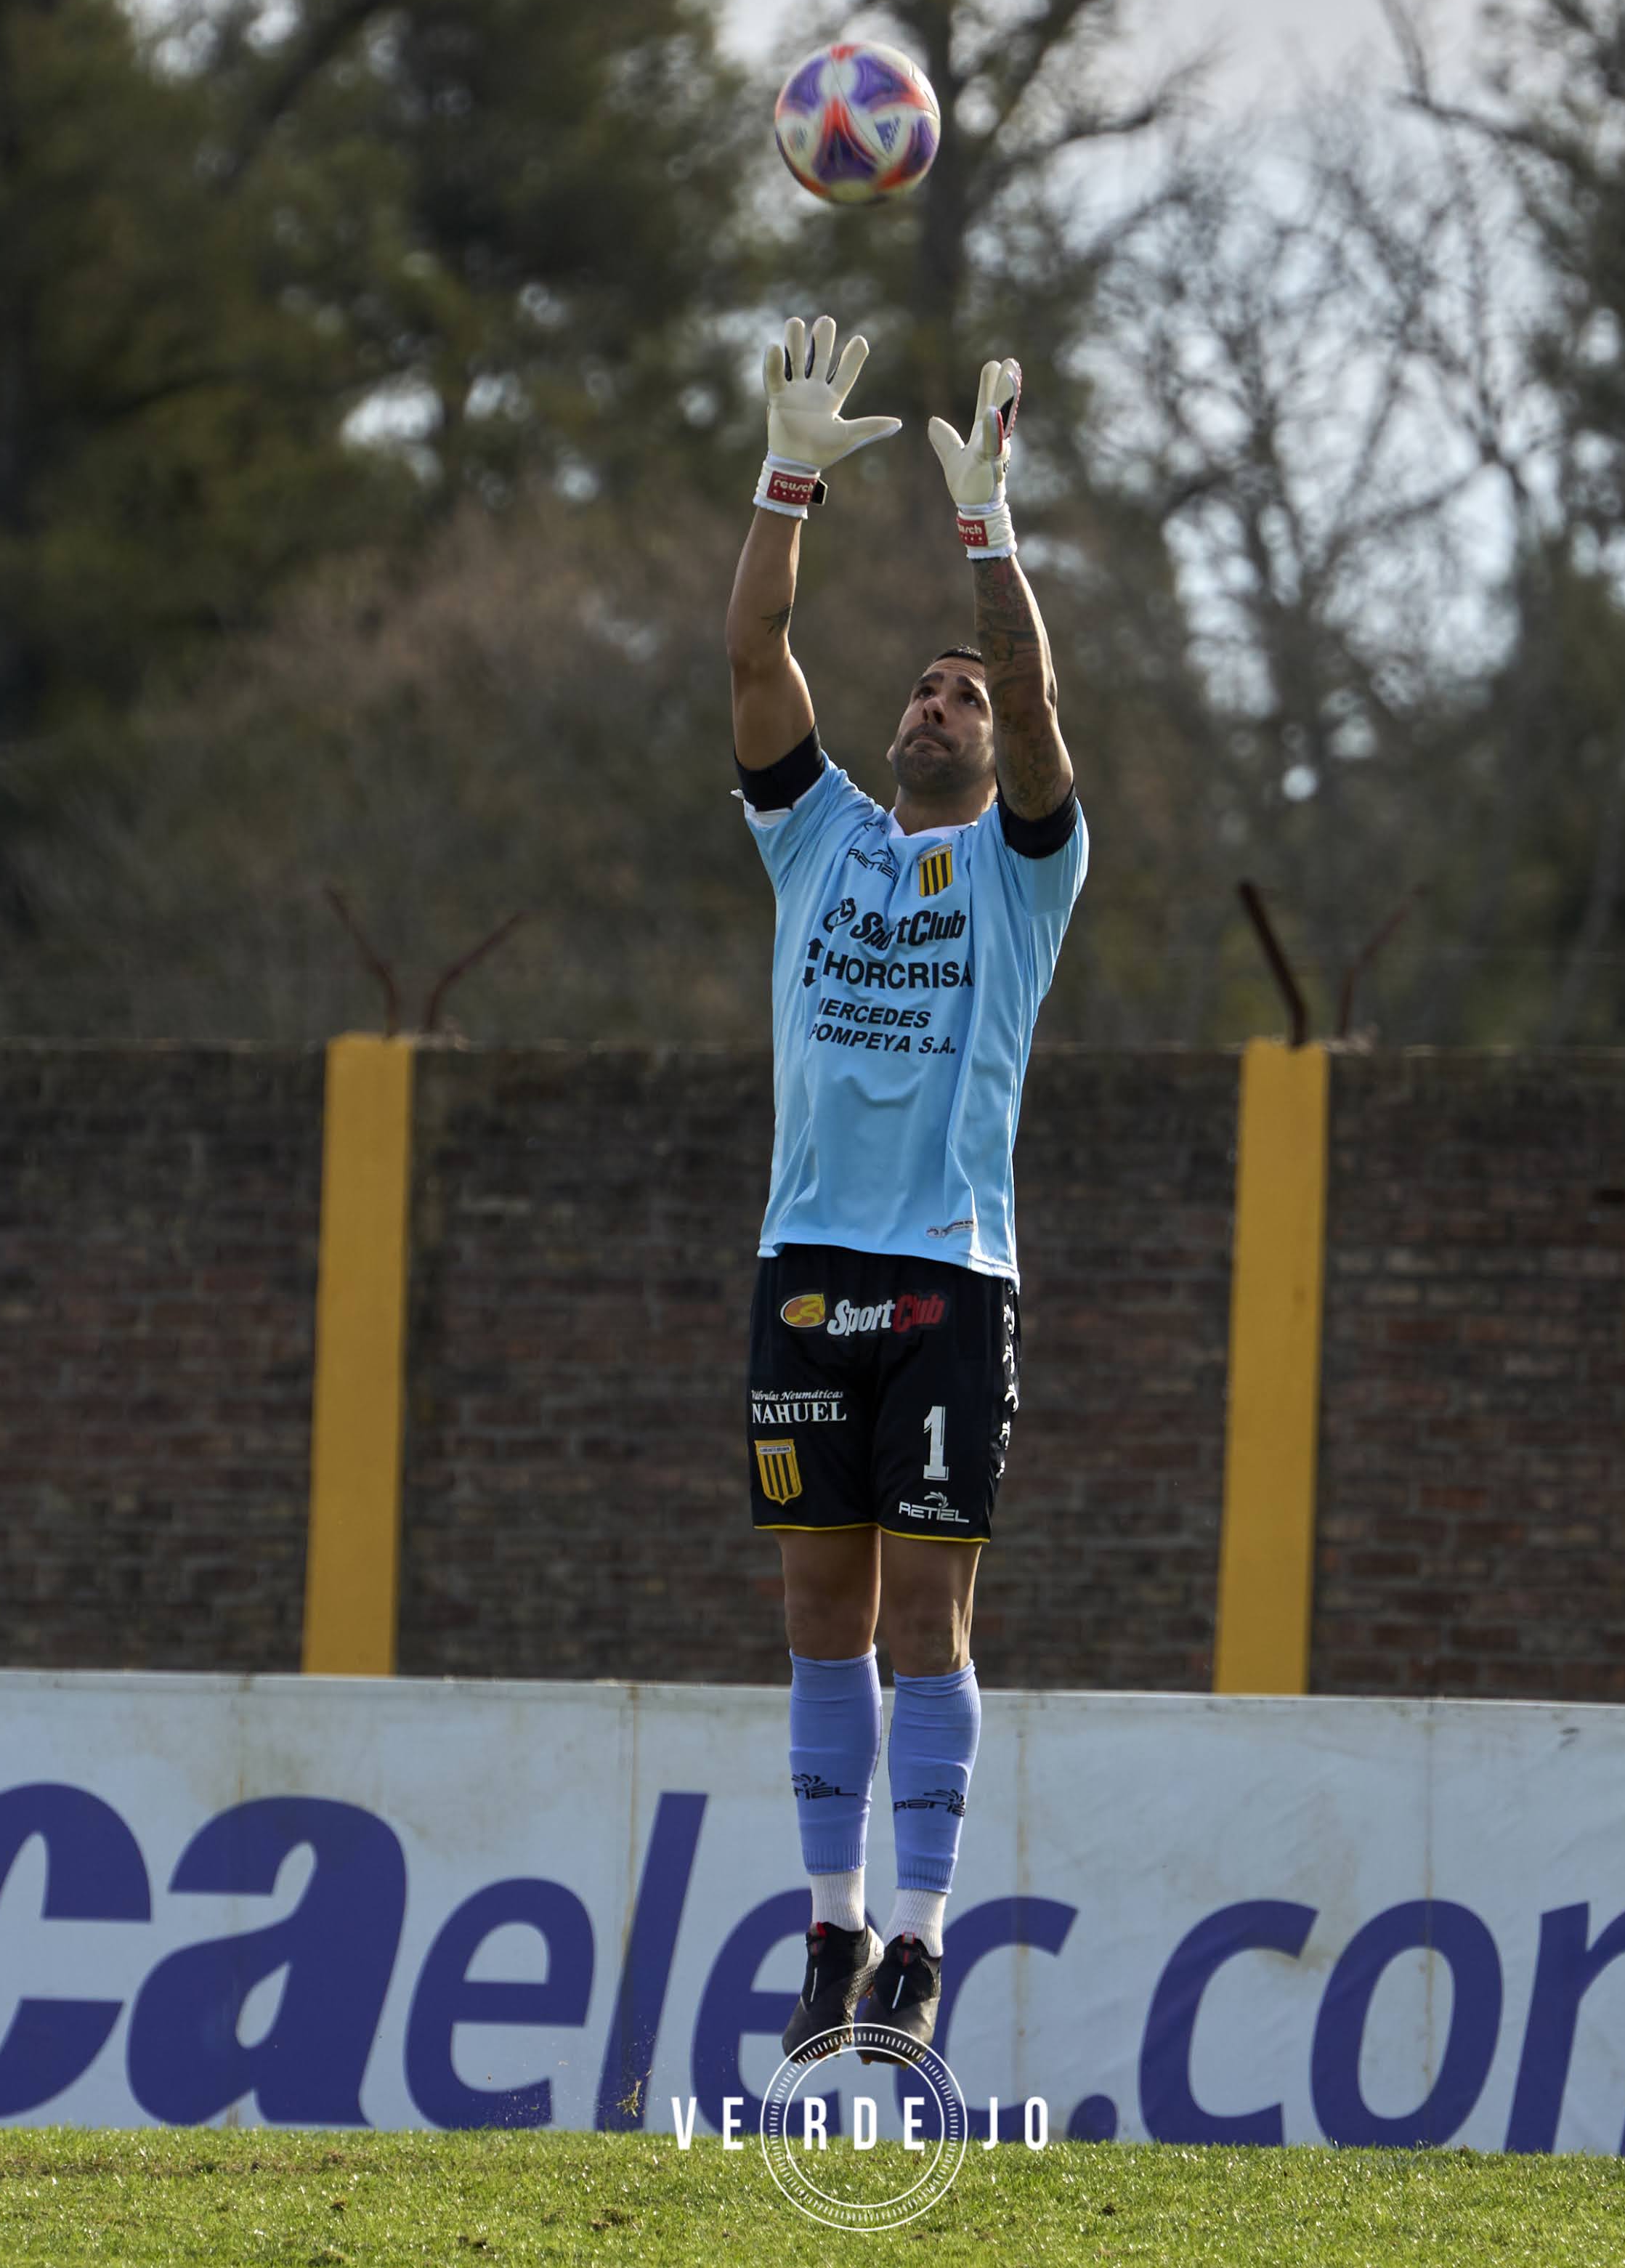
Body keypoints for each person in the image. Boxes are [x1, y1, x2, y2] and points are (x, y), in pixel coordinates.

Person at [724, 315, 1086, 2067]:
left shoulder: (1024, 871)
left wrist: (986, 534)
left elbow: (1034, 699)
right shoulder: (821, 835)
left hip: (947, 1275)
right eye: (922, 691)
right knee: (816, 1613)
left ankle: (926, 1940)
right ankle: (828, 1926)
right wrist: (786, 481)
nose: (938, 704)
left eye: (961, 692)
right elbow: (749, 657)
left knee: (929, 1616)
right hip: (806, 1268)